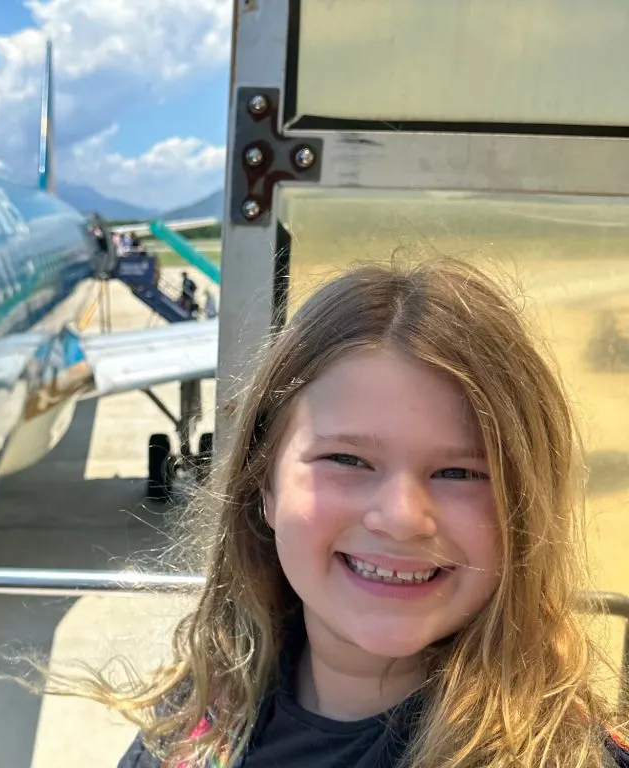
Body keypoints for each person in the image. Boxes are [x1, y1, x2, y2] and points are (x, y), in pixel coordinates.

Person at [34, 257, 629, 767]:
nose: (400, 517)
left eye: (461, 473)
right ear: (262, 486)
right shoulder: (195, 720)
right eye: (347, 459)